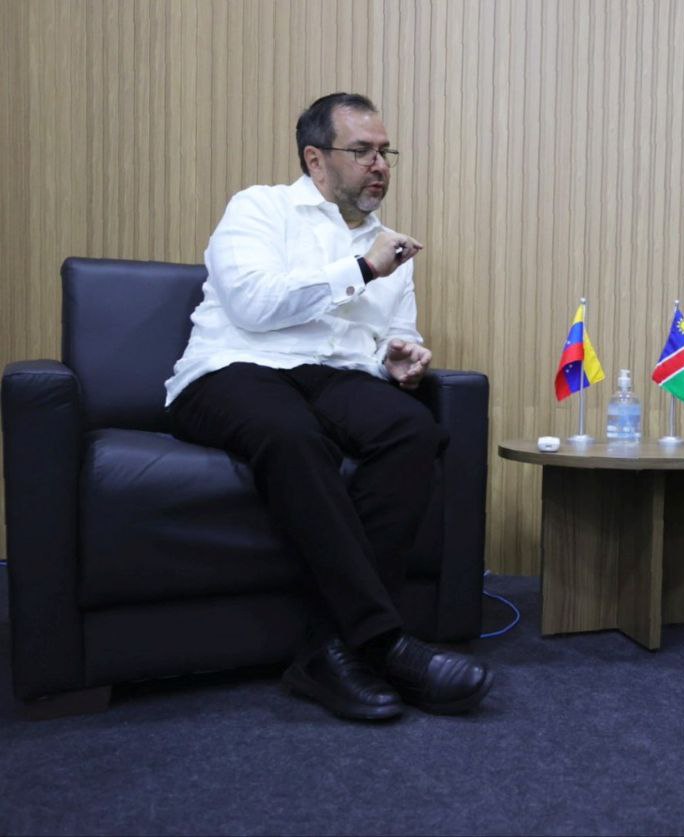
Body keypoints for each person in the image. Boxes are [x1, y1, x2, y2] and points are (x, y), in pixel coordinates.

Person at [164, 92, 494, 722]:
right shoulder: (260, 208)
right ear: (315, 159)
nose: (380, 166)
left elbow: (391, 334)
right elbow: (254, 305)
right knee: (291, 434)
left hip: (331, 377)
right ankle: (382, 640)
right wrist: (361, 269)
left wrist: (398, 359)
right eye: (362, 151)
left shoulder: (389, 247)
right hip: (233, 368)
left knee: (412, 429)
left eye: (385, 152)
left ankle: (328, 648)